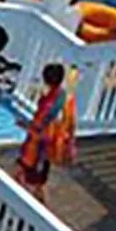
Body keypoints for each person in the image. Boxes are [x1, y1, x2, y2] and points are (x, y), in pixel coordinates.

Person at [13, 62, 77, 202]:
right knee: (35, 180)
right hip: (53, 146)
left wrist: (23, 125)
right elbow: (71, 123)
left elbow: (38, 127)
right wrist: (71, 143)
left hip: (36, 148)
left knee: (28, 179)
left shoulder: (47, 104)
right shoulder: (67, 99)